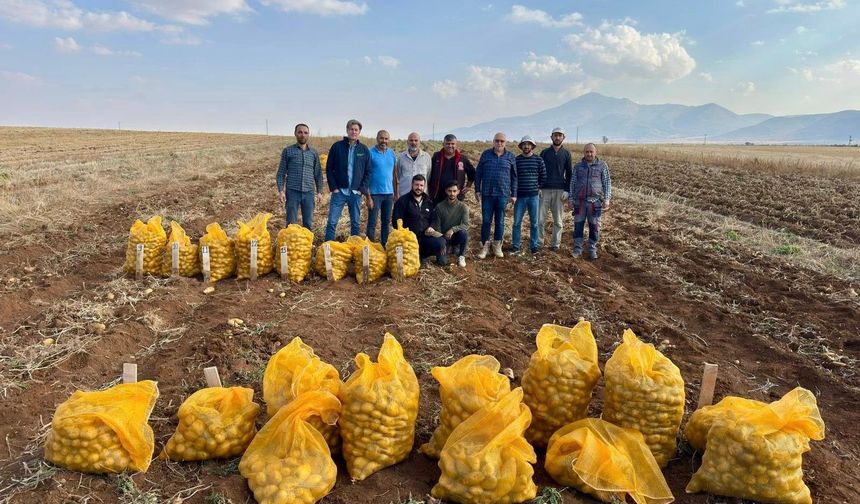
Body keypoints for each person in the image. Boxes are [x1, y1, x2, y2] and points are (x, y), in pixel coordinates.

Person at [324, 119, 371, 241]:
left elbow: (368, 172)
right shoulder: (337, 147)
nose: (354, 132)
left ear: (359, 132)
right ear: (347, 130)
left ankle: (354, 248)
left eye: (356, 130)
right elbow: (329, 168)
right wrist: (334, 188)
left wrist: (361, 190)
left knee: (355, 223)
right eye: (351, 129)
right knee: (332, 222)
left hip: (355, 193)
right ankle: (327, 248)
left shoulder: (364, 150)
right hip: (339, 192)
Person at [474, 132, 517, 259]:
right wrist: (477, 190)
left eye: (502, 141)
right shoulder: (486, 154)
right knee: (486, 221)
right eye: (497, 141)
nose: (499, 143)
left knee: (500, 222)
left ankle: (497, 245)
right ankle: (484, 247)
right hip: (487, 194)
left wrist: (514, 194)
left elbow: (514, 177)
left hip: (503, 194)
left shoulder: (510, 156)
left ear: (505, 143)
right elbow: (478, 173)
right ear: (493, 141)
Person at [391, 174, 447, 266]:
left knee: (441, 242)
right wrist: (404, 233)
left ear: (424, 186)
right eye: (416, 185)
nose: (419, 188)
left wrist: (432, 227)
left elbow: (434, 218)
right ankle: (417, 256)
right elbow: (395, 220)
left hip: (425, 236)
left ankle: (424, 255)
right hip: (408, 239)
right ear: (412, 185)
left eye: (421, 185)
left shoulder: (429, 201)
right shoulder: (403, 201)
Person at [276, 123, 324, 229]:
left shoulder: (313, 153)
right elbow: (281, 173)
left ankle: (307, 244)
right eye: (300, 132)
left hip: (309, 192)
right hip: (292, 191)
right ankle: (290, 244)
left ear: (308, 135)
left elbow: (318, 174)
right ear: (295, 134)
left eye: (305, 132)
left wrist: (320, 191)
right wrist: (281, 191)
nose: (303, 135)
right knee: (291, 223)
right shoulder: (288, 151)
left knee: (308, 223)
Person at [569, 143, 612, 259]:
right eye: (587, 152)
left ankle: (592, 249)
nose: (589, 154)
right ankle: (578, 249)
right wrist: (571, 198)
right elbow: (572, 183)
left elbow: (607, 183)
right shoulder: (578, 166)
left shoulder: (602, 166)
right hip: (580, 202)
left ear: (595, 152)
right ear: (584, 153)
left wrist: (607, 199)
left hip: (595, 202)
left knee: (594, 227)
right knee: (578, 226)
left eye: (591, 152)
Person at [539, 127, 572, 251]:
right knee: (540, 219)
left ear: (563, 137)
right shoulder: (544, 153)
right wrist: (539, 187)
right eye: (555, 135)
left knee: (558, 221)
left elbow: (569, 173)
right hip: (545, 191)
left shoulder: (567, 154)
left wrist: (567, 190)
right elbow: (539, 171)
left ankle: (555, 244)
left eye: (560, 135)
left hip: (560, 191)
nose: (557, 137)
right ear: (551, 137)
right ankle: (539, 242)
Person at [511, 135, 546, 254]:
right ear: (521, 146)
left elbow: (543, 175)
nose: (526, 146)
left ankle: (534, 246)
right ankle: (516, 245)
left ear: (532, 146)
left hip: (533, 196)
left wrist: (538, 187)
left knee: (534, 223)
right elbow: (513, 176)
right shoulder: (517, 160)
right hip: (520, 196)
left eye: (528, 144)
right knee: (516, 222)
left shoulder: (538, 160)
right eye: (524, 144)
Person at [366, 129, 396, 245]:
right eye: (382, 138)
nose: (384, 141)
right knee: (372, 222)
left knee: (386, 222)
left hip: (389, 194)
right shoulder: (370, 153)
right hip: (374, 194)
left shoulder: (392, 153)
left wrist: (396, 192)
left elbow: (394, 174)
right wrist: (368, 196)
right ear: (377, 139)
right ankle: (370, 247)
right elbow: (366, 175)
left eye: (386, 138)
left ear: (389, 140)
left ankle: (384, 245)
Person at [432, 180, 470, 268]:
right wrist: (442, 242)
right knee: (442, 262)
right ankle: (448, 248)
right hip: (443, 237)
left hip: (455, 235)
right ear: (446, 191)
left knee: (464, 233)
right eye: (449, 191)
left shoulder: (463, 207)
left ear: (458, 191)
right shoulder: (439, 207)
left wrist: (453, 229)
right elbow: (437, 227)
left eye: (454, 191)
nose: (452, 193)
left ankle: (461, 255)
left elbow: (465, 225)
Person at [427, 134, 475, 203]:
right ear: (443, 144)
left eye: (453, 144)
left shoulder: (462, 158)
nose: (450, 146)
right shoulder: (436, 156)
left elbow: (472, 173)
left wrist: (468, 186)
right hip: (437, 195)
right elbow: (429, 172)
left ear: (456, 145)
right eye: (447, 144)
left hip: (456, 195)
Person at [394, 132, 432, 198]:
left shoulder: (427, 157)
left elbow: (428, 176)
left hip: (421, 196)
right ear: (407, 142)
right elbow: (398, 176)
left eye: (416, 140)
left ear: (419, 142)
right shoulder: (401, 157)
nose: (413, 142)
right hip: (404, 195)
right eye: (411, 140)